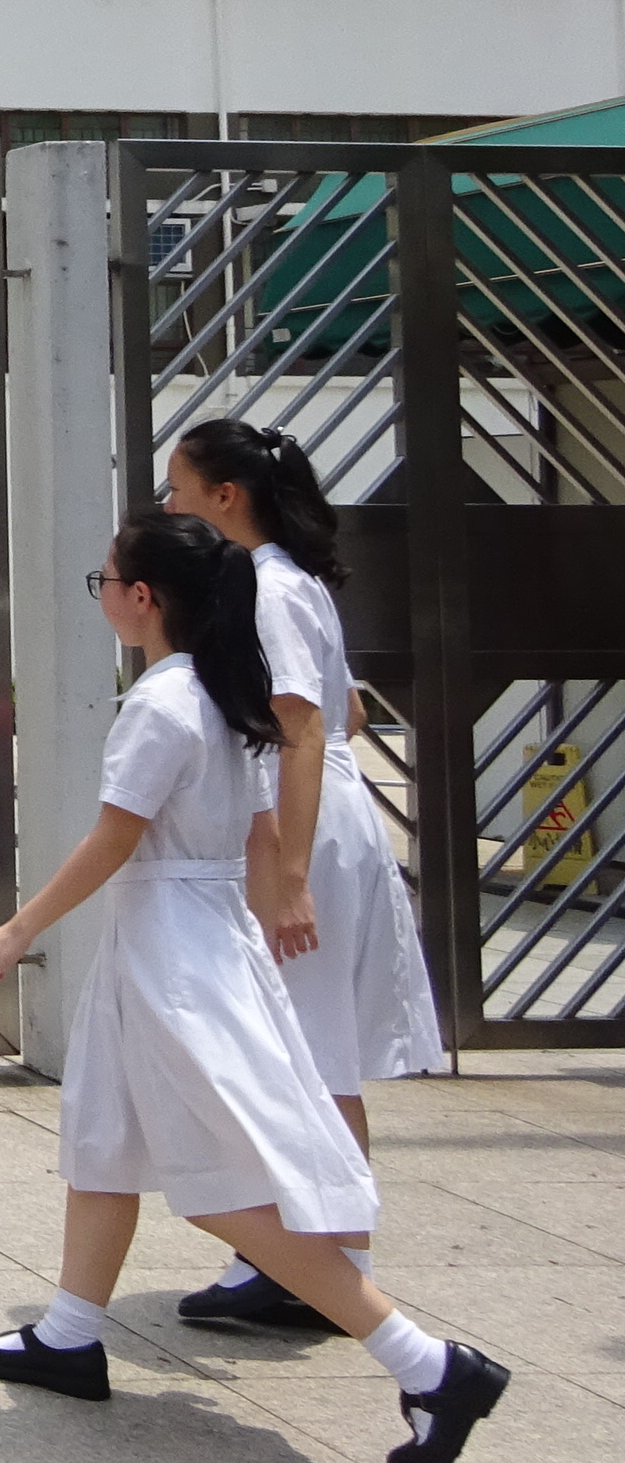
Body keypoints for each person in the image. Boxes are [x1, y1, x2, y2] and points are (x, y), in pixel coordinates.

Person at [0, 511, 505, 1463]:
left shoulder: (163, 706)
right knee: (103, 1135)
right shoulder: (223, 696)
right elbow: (253, 841)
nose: (102, 594)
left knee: (225, 1190)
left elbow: (114, 842)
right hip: (197, 943)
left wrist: (15, 931)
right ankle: (71, 1333)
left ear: (144, 598)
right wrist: (260, 932)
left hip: (171, 954)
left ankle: (428, 1362)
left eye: (105, 579)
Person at [163, 418, 444, 1331]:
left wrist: (288, 871)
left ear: (225, 498)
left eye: (179, 487)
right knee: (311, 1050)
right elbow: (350, 710)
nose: (170, 504)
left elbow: (313, 727)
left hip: (306, 830)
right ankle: (309, 1257)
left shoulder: (269, 589)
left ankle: (325, 1266)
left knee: (312, 1054)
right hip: (329, 821)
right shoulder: (298, 582)